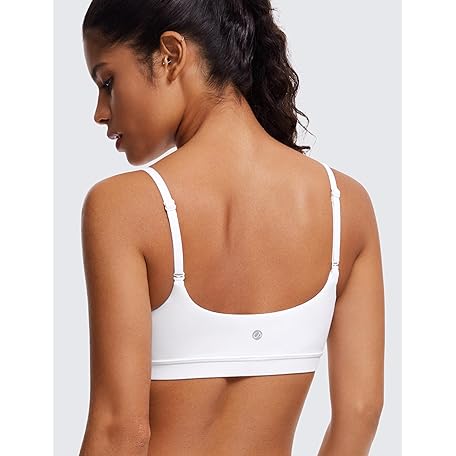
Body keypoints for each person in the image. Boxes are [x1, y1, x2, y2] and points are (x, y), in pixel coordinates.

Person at [79, 1, 385, 455]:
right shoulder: (346, 205)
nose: (100, 112)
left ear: (170, 55)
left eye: (107, 82)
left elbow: (119, 431)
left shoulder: (123, 208)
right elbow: (361, 411)